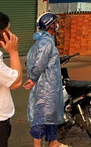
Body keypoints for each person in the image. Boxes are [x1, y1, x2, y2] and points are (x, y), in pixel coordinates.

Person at [24, 13, 69, 147]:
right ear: (51, 25)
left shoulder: (45, 41)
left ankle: (53, 142)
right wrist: (33, 79)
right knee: (42, 116)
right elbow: (39, 64)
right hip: (46, 87)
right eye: (55, 23)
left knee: (51, 115)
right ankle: (37, 145)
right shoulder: (46, 43)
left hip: (50, 85)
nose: (57, 26)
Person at [0, 13, 22, 147]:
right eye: (9, 30)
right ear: (0, 33)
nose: (11, 34)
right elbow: (16, 83)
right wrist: (13, 52)